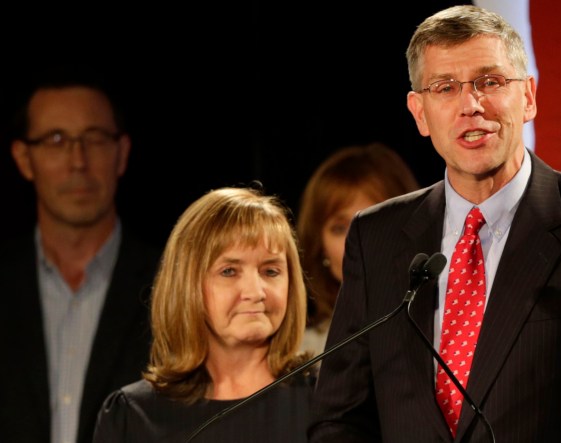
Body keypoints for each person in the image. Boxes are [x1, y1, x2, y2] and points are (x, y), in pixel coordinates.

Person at [308, 5, 561, 442]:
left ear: (528, 97)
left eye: (490, 82)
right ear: (420, 113)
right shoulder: (377, 236)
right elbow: (340, 419)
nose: (471, 105)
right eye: (446, 88)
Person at [0, 64, 161, 443]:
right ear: (23, 158)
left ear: (122, 153)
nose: (78, 161)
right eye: (56, 139)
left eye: (95, 138)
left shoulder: (173, 283)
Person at [92, 186, 314, 443]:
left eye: (270, 271)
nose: (255, 292)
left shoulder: (325, 405)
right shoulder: (132, 418)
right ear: (187, 285)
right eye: (229, 271)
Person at [296, 142, 419, 356]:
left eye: (374, 222)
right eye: (339, 228)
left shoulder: (450, 332)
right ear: (320, 246)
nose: (358, 241)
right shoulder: (299, 358)